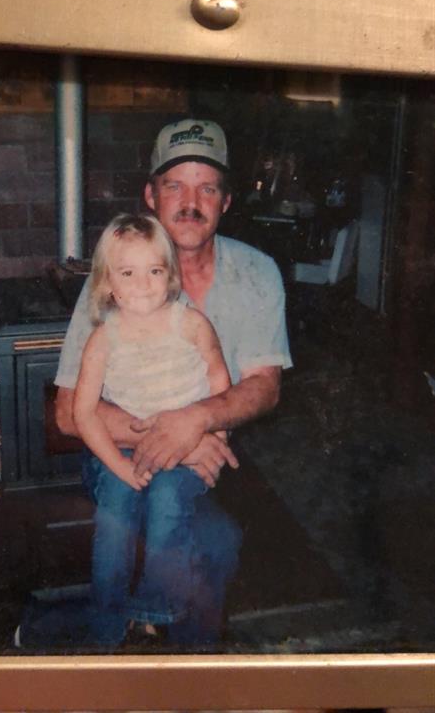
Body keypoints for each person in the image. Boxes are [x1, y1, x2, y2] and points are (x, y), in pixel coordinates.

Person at [54, 118, 292, 649]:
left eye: (206, 188)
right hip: (117, 455)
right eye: (174, 186)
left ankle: (181, 666)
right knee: (202, 540)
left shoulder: (257, 274)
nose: (190, 202)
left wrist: (198, 422)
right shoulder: (116, 279)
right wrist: (175, 436)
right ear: (150, 197)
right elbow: (69, 411)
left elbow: (265, 387)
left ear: (226, 200)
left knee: (219, 540)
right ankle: (123, 645)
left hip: (208, 455)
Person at [73, 212, 230, 645]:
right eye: (128, 273)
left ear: (170, 275)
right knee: (114, 514)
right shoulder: (103, 339)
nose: (143, 284)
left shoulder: (192, 324)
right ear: (108, 283)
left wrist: (214, 441)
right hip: (122, 451)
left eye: (155, 271)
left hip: (185, 447)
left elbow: (220, 382)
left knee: (165, 501)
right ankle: (106, 624)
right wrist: (119, 467)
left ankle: (154, 611)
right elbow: (83, 414)